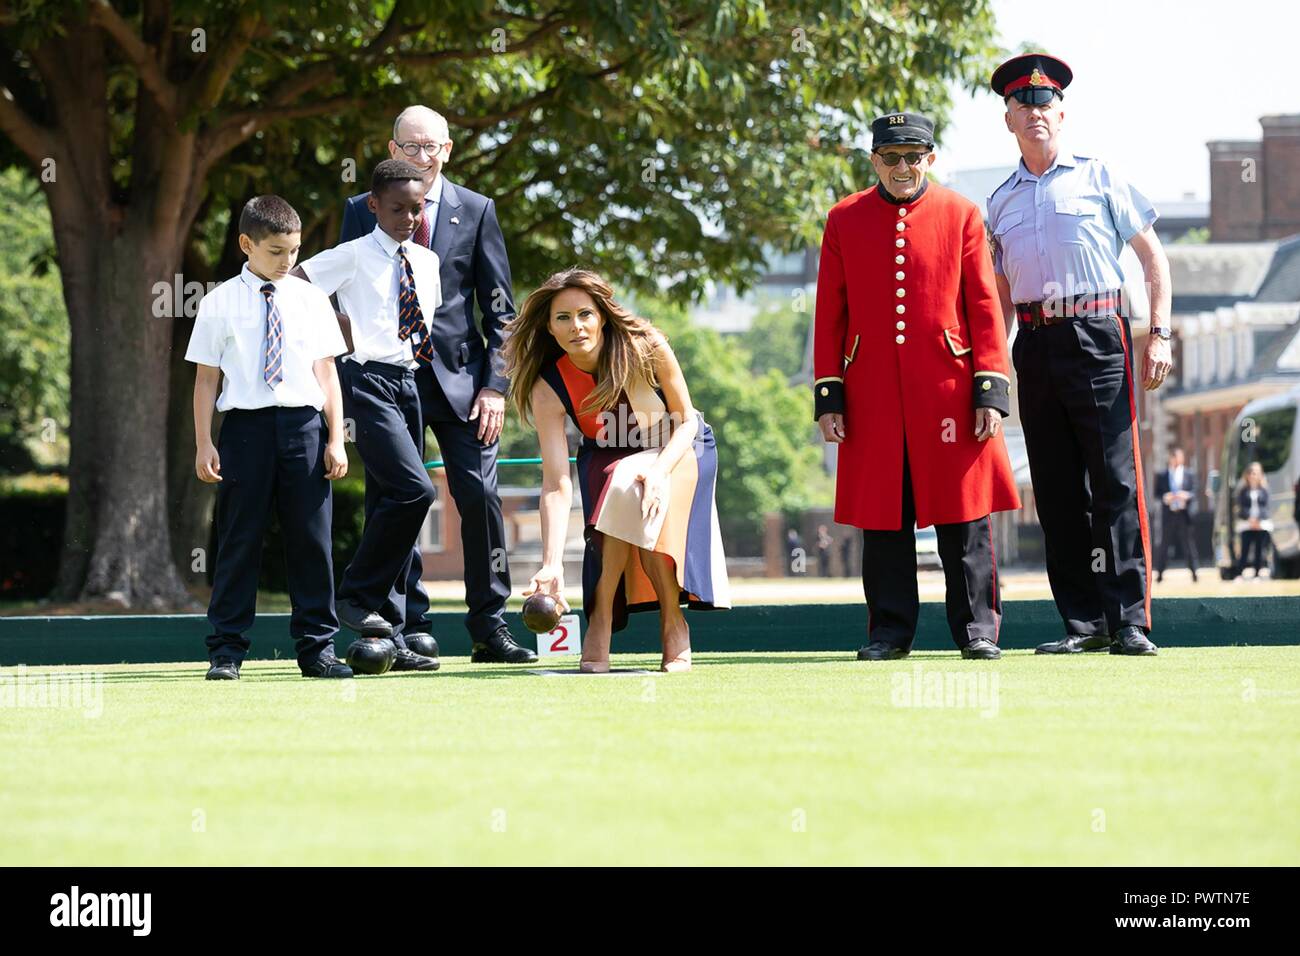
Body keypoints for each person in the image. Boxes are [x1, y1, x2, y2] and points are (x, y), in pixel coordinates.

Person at [814, 111, 1020, 661]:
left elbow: (983, 306)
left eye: (913, 156)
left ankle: (977, 630)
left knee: (964, 516)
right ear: (874, 160)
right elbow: (830, 311)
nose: (902, 167)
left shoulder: (961, 214)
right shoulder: (843, 219)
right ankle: (889, 632)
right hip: (872, 393)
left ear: (930, 158)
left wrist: (990, 390)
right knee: (883, 518)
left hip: (950, 390)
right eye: (891, 157)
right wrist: (830, 394)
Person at [986, 53, 1172, 656]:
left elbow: (1153, 258)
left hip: (1098, 334)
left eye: (1045, 103)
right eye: (1023, 104)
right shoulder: (1000, 201)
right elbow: (1003, 294)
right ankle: (1083, 624)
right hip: (1035, 343)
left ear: (1061, 113)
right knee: (1056, 488)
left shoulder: (1100, 176)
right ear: (1009, 119)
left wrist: (1160, 332)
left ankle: (1130, 621)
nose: (1035, 112)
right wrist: (994, 365)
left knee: (1115, 480)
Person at [338, 106, 533, 665]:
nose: (421, 157)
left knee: (480, 496)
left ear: (448, 149)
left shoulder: (477, 209)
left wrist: (494, 387)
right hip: (382, 381)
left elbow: (501, 313)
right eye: (410, 147)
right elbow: (339, 297)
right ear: (392, 150)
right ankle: (398, 627)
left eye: (431, 147)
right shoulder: (360, 209)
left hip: (463, 383)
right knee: (395, 497)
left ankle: (489, 626)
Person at [506, 269, 731, 673]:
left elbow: (687, 422)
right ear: (549, 327)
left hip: (679, 447)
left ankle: (668, 622)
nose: (576, 326)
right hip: (606, 455)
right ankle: (603, 619)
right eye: (563, 318)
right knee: (624, 483)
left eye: (585, 314)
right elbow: (556, 484)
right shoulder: (548, 387)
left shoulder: (646, 345)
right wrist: (552, 563)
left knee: (633, 485)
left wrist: (659, 472)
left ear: (602, 317)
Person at [186, 195, 352, 680]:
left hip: (304, 428)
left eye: (294, 251)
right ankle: (226, 652)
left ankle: (318, 650)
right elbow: (206, 380)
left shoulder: (311, 299)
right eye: (276, 251)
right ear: (246, 244)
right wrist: (203, 442)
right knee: (239, 540)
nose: (287, 261)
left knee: (312, 542)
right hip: (245, 431)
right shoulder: (218, 302)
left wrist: (336, 438)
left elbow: (327, 372)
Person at [296, 159, 443, 673]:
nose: (408, 218)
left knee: (390, 502)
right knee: (416, 491)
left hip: (408, 383)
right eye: (397, 208)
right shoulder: (353, 254)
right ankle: (356, 595)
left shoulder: (427, 261)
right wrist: (334, 325)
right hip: (365, 382)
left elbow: (423, 322)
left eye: (416, 209)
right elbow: (296, 282)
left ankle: (391, 633)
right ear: (374, 206)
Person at [1154, 447, 1198, 583]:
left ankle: (1194, 573)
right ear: (1170, 458)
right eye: (1174, 457)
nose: (1176, 460)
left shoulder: (1189, 474)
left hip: (1184, 514)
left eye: (1179, 457)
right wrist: (1165, 497)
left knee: (1188, 545)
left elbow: (1194, 491)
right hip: (1168, 514)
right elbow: (1157, 493)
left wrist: (1186, 495)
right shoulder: (1162, 475)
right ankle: (1159, 574)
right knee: (1164, 545)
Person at [1236, 462, 1272, 577]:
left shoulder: (1264, 490)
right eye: (1251, 473)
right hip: (1247, 524)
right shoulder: (1243, 491)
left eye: (1255, 473)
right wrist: (1250, 519)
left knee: (1259, 550)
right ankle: (1239, 573)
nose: (1253, 475)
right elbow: (1241, 508)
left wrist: (1258, 520)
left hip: (1260, 524)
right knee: (1245, 549)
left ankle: (1257, 573)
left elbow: (1265, 507)